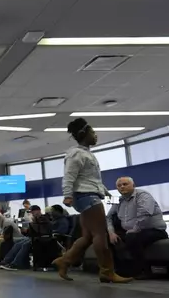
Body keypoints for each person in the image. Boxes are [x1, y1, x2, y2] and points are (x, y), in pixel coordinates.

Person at [52, 118, 131, 283]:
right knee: (100, 234)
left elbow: (91, 179)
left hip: (87, 195)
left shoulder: (86, 153)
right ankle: (107, 271)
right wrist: (67, 195)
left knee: (87, 236)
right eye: (93, 133)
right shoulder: (77, 154)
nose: (96, 135)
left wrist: (105, 192)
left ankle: (64, 261)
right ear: (84, 134)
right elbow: (69, 176)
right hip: (87, 197)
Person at [107, 177, 167, 279]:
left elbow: (145, 214)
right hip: (130, 231)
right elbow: (108, 217)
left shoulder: (143, 195)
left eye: (125, 184)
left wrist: (135, 229)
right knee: (108, 239)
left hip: (154, 230)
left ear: (133, 185)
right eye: (119, 185)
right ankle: (120, 270)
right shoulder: (118, 200)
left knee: (133, 237)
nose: (122, 187)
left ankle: (142, 271)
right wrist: (111, 232)